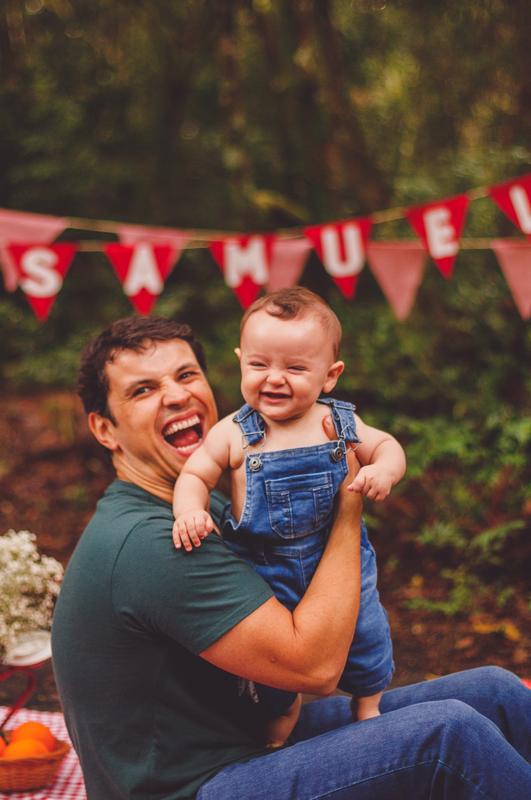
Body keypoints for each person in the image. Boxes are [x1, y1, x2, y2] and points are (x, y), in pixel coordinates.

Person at [51, 314, 531, 800]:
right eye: (143, 390)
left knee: (492, 693)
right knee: (446, 736)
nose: (175, 395)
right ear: (105, 429)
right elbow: (314, 665)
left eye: (186, 375)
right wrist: (347, 502)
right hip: (202, 787)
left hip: (244, 743)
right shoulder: (156, 540)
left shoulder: (212, 500)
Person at [171, 288, 403, 746]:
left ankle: (368, 708)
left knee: (367, 635)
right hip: (263, 567)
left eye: (295, 368)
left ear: (330, 375)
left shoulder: (337, 422)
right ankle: (275, 736)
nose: (274, 378)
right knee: (273, 669)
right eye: (259, 364)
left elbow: (387, 445)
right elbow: (195, 474)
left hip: (335, 558)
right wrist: (190, 510)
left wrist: (382, 470)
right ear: (241, 362)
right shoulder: (234, 432)